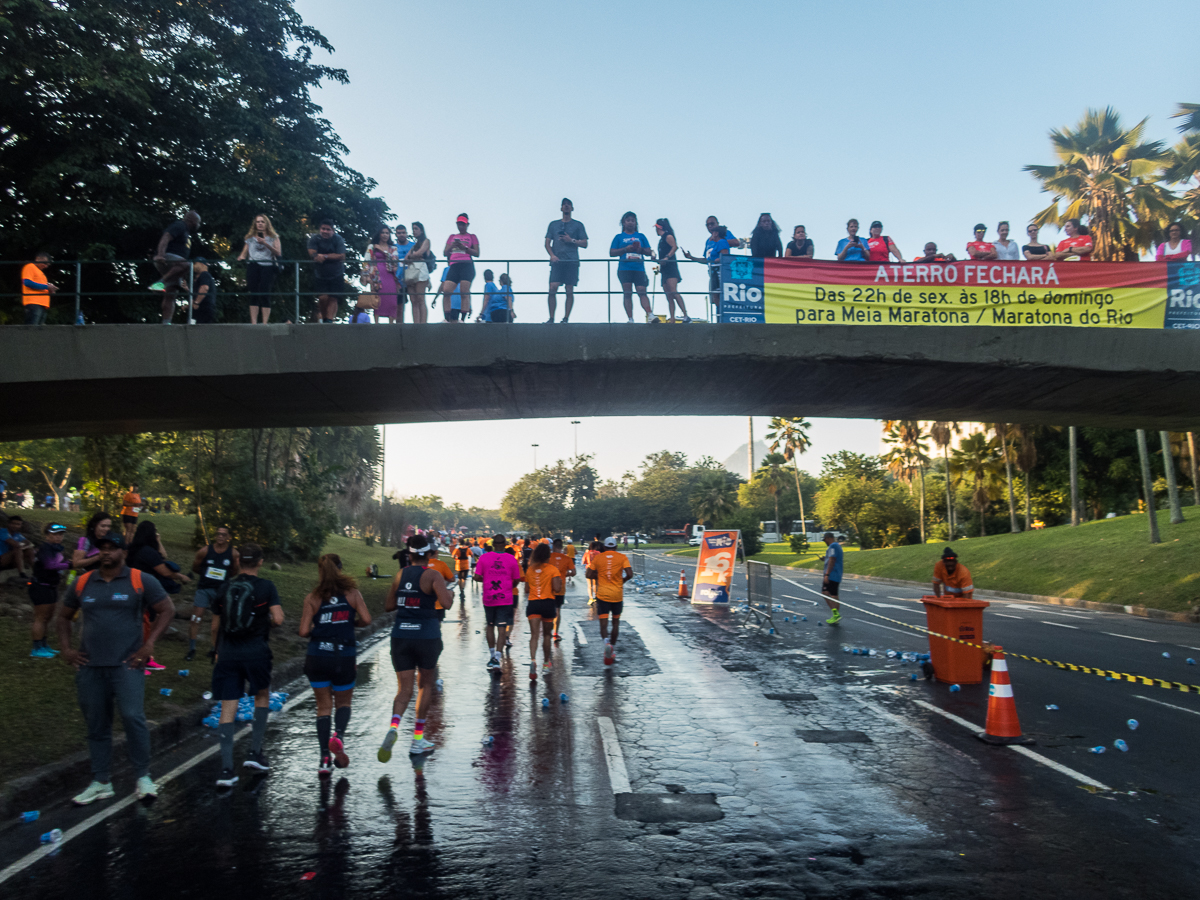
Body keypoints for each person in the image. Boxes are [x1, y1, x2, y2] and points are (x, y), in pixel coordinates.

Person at [58, 532, 172, 805]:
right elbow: (63, 616)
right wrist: (66, 649)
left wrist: (149, 645)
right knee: (97, 724)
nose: (106, 553)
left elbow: (166, 609)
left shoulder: (139, 579)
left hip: (126, 664)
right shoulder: (85, 581)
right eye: (102, 549)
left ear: (123, 552)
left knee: (133, 718)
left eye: (112, 548)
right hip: (90, 666)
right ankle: (101, 781)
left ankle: (143, 777)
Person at [211, 542, 284, 787]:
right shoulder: (266, 587)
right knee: (261, 695)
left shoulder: (225, 587)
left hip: (228, 654)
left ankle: (226, 769)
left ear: (239, 561)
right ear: (261, 562)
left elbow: (215, 625)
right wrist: (264, 624)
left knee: (227, 707)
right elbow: (278, 618)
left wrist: (217, 650)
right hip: (256, 652)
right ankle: (255, 752)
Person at [378, 534, 453, 761]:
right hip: (427, 636)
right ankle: (418, 740)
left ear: (408, 555)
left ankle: (393, 726)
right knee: (425, 686)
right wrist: (449, 591)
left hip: (401, 636)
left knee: (404, 689)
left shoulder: (400, 574)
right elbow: (447, 603)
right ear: (429, 554)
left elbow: (389, 605)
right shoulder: (433, 575)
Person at [299, 553, 371, 775]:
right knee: (343, 703)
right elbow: (367, 620)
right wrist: (349, 623)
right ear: (340, 568)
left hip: (317, 656)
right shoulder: (352, 593)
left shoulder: (312, 597)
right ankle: (338, 735)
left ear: (320, 572)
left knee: (323, 707)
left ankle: (323, 759)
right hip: (343, 657)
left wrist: (320, 630)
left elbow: (303, 631)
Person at [187, 525, 239, 661]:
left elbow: (234, 571)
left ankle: (214, 648)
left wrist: (224, 580)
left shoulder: (233, 553)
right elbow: (195, 567)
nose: (220, 536)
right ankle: (192, 649)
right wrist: (206, 576)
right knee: (196, 618)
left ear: (229, 537)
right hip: (204, 588)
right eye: (218, 534)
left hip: (221, 592)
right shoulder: (205, 551)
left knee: (216, 624)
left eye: (224, 534)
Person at [475, 534, 522, 671]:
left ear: (494, 544)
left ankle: (491, 655)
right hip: (505, 598)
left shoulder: (484, 558)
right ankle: (497, 657)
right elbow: (517, 579)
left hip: (489, 597)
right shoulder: (511, 559)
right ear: (505, 544)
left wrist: (486, 580)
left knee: (490, 625)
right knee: (502, 628)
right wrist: (509, 586)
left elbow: (477, 576)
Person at [149, 210, 201, 324]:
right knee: (188, 265)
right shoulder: (180, 225)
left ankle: (166, 322)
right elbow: (166, 237)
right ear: (192, 220)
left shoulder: (186, 233)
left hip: (175, 265)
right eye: (198, 222)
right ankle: (160, 283)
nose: (199, 225)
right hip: (167, 259)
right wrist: (160, 255)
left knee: (171, 293)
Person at [585, 537, 632, 665]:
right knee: (616, 623)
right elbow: (630, 573)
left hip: (602, 595)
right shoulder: (622, 557)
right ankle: (612, 649)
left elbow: (588, 574)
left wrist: (599, 576)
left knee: (603, 623)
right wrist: (622, 580)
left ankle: (606, 643)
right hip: (617, 595)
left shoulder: (598, 558)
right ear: (616, 547)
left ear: (604, 548)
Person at [683, 216, 740, 314]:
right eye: (707, 225)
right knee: (715, 296)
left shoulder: (723, 238)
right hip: (712, 272)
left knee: (721, 295)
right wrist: (692, 258)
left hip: (720, 272)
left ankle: (723, 317)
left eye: (712, 224)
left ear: (717, 224)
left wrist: (720, 240)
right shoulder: (708, 241)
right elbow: (707, 259)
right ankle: (719, 317)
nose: (710, 226)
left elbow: (735, 243)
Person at [523, 543, 563, 680]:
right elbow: (557, 589)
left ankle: (533, 660)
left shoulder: (530, 569)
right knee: (547, 635)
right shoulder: (553, 569)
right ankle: (546, 662)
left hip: (533, 603)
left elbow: (526, 590)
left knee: (534, 635)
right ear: (548, 555)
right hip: (548, 603)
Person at [545, 198, 588, 323]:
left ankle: (565, 318)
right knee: (552, 288)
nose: (566, 206)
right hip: (557, 261)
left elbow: (585, 243)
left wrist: (572, 240)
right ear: (561, 208)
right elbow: (547, 242)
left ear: (572, 208)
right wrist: (552, 255)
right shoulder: (553, 224)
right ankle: (551, 317)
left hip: (572, 261)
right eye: (564, 205)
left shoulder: (578, 225)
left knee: (569, 289)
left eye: (568, 205)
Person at [29, 523, 69, 657]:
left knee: (48, 617)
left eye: (60, 535)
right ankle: (36, 648)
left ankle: (44, 645)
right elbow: (50, 565)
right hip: (41, 586)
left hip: (51, 586)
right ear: (47, 535)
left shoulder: (56, 549)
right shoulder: (45, 548)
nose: (58, 537)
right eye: (55, 534)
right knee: (41, 617)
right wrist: (70, 564)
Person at [610, 212, 655, 323]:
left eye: (632, 220)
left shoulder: (641, 236)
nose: (630, 222)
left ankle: (650, 314)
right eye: (628, 220)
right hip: (624, 268)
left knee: (642, 291)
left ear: (636, 223)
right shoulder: (619, 237)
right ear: (624, 223)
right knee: (627, 292)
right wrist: (626, 249)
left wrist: (641, 250)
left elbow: (649, 251)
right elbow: (612, 252)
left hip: (639, 268)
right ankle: (630, 318)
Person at [237, 214, 282, 323]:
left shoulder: (274, 237)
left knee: (265, 292)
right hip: (253, 264)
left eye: (262, 222)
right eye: (258, 222)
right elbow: (244, 251)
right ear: (255, 224)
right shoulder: (250, 238)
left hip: (267, 266)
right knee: (253, 293)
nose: (260, 224)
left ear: (266, 224)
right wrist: (241, 257)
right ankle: (254, 323)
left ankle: (265, 322)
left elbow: (278, 252)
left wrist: (265, 243)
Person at [307, 220, 348, 322]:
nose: (325, 231)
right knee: (322, 298)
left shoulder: (338, 239)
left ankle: (329, 320)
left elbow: (341, 255)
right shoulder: (314, 238)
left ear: (333, 230)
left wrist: (325, 256)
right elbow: (312, 252)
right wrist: (316, 256)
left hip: (337, 273)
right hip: (320, 274)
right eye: (323, 229)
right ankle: (324, 317)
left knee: (334, 298)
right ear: (320, 229)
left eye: (328, 229)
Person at [442, 214, 479, 322]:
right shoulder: (452, 236)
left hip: (466, 264)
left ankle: (462, 319)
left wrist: (465, 248)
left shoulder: (472, 236)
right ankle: (447, 318)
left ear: (467, 224)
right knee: (446, 290)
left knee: (464, 291)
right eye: (459, 224)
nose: (461, 226)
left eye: (463, 224)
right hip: (454, 264)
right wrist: (452, 246)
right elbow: (445, 252)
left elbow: (477, 253)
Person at [364, 225, 402, 323]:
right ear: (379, 234)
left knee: (392, 300)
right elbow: (366, 261)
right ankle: (376, 322)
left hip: (389, 274)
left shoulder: (393, 248)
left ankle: (391, 323)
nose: (385, 235)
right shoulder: (372, 246)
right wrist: (366, 276)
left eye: (387, 233)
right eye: (383, 233)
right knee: (378, 298)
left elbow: (394, 261)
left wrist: (382, 251)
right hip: (376, 274)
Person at [654, 218, 690, 323]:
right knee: (669, 295)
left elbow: (674, 247)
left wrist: (667, 257)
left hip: (671, 268)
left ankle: (685, 315)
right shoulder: (661, 240)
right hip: (664, 269)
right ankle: (672, 318)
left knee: (674, 291)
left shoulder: (668, 236)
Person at [547, 538, 576, 644]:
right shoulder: (567, 558)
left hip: (548, 587)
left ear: (553, 546)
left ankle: (547, 632)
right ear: (562, 547)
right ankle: (555, 633)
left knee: (547, 610)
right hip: (560, 587)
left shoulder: (548, 557)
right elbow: (573, 572)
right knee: (557, 610)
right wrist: (564, 574)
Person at [403, 222, 432, 324]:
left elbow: (420, 252)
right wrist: (413, 256)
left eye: (416, 229)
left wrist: (412, 256)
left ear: (421, 230)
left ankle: (423, 323)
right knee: (413, 300)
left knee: (420, 298)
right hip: (411, 272)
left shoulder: (426, 241)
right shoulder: (414, 245)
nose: (414, 231)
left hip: (421, 271)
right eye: (413, 229)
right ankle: (416, 323)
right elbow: (406, 258)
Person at [21, 251, 59, 325]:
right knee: (32, 327)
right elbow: (27, 282)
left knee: (39, 330)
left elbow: (42, 286)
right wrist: (47, 287)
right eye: (44, 263)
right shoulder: (30, 266)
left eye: (47, 264)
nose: (46, 266)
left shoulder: (41, 273)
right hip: (33, 302)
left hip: (42, 304)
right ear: (37, 259)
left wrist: (49, 289)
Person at [72, 511, 113, 577]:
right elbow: (76, 563)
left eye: (108, 526)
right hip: (88, 578)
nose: (106, 529)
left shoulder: (111, 541)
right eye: (103, 526)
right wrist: (97, 557)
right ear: (95, 526)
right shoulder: (85, 541)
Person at [0, 514, 34, 581]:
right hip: (2, 559)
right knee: (17, 550)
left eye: (18, 524)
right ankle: (22, 573)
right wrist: (23, 545)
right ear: (8, 524)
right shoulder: (2, 532)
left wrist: (23, 545)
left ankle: (35, 571)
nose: (15, 526)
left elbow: (29, 543)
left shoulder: (17, 534)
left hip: (11, 559)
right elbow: (14, 544)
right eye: (13, 524)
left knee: (29, 550)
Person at [820, 532, 843, 625]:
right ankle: (835, 615)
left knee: (830, 594)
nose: (824, 541)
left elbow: (832, 560)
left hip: (832, 575)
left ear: (828, 538)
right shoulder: (837, 546)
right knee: (829, 593)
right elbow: (831, 558)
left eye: (825, 539)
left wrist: (827, 574)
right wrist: (825, 558)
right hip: (836, 574)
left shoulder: (833, 546)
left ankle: (836, 615)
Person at [190, 258, 218, 323]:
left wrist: (196, 303)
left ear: (201, 264)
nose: (193, 266)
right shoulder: (204, 276)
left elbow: (204, 288)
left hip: (203, 308)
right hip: (203, 308)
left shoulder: (204, 274)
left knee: (199, 330)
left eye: (195, 263)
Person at [581, 539, 600, 605]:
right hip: (596, 569)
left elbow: (583, 561)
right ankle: (597, 597)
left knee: (589, 585)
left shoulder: (587, 553)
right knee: (596, 584)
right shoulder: (598, 553)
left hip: (589, 569)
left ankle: (591, 598)